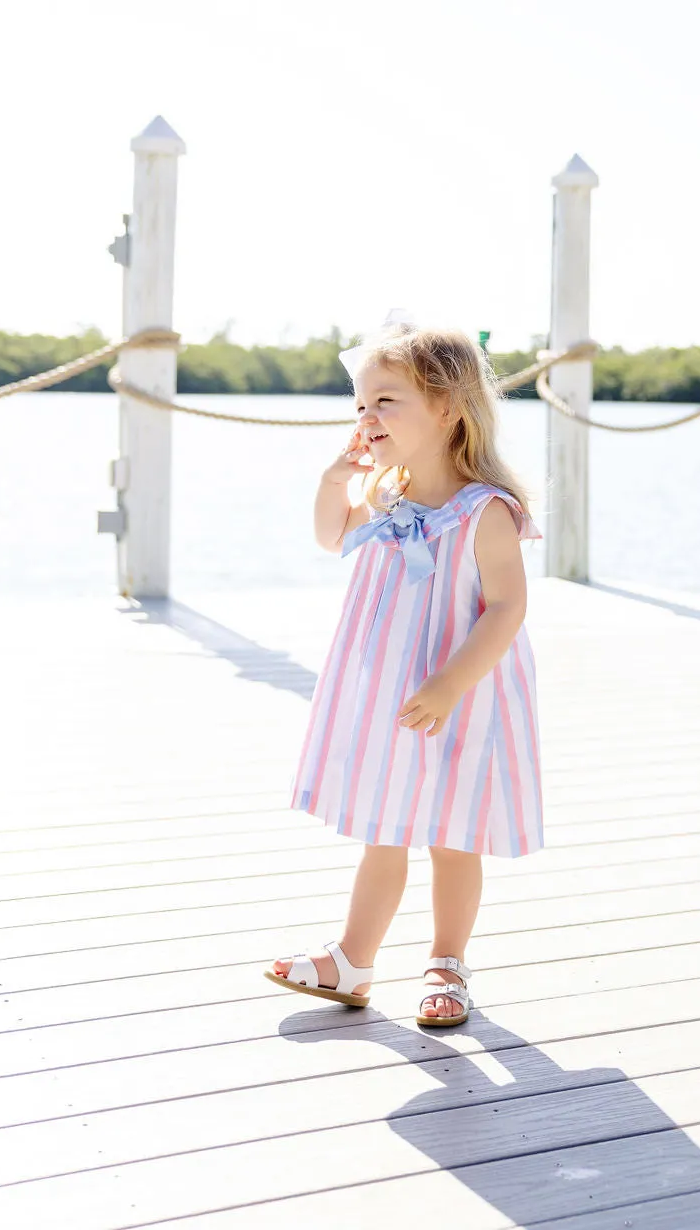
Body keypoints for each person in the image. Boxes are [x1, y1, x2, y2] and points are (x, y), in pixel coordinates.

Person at [265, 321, 544, 1026]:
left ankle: (447, 961)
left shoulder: (485, 511)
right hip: (393, 689)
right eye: (361, 405)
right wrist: (338, 479)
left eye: (385, 401)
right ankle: (354, 958)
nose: (367, 417)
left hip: (460, 694)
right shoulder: (386, 493)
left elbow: (508, 607)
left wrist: (451, 682)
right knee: (383, 828)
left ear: (448, 407)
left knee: (453, 836)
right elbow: (332, 534)